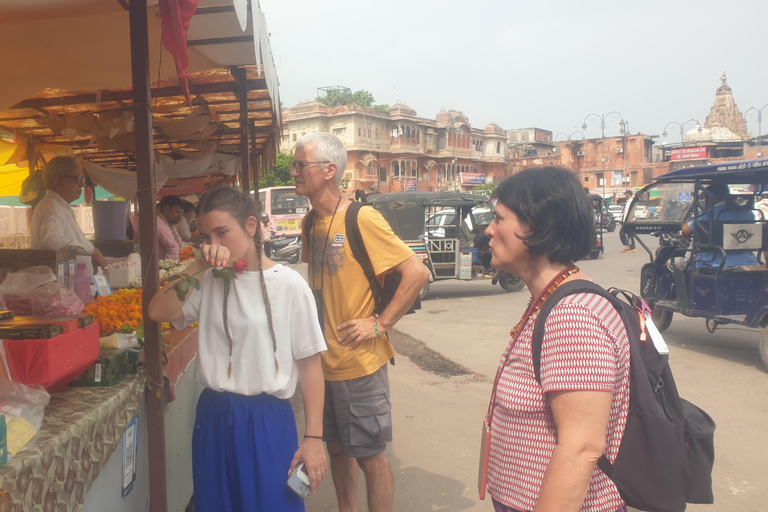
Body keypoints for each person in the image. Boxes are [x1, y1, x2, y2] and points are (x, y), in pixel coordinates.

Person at [148, 187, 327, 511]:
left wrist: (314, 439)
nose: (214, 244)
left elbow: (311, 366)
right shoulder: (208, 279)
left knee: (274, 504)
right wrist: (197, 265)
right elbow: (157, 311)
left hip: (268, 419)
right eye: (206, 236)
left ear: (251, 225)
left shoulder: (290, 285)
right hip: (214, 415)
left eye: (222, 232)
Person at [292, 132, 429, 512]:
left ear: (329, 170)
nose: (294, 171)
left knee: (370, 457)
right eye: (294, 164)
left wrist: (379, 325)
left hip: (360, 364)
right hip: (323, 365)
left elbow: (416, 272)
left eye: (301, 164)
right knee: (337, 449)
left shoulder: (361, 218)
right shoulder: (310, 223)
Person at [483, 166, 631, 512]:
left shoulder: (573, 315)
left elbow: (581, 447)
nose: (489, 230)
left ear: (534, 226)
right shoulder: (553, 299)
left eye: (499, 218)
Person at [30, 156, 108, 274]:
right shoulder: (51, 207)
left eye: (83, 179)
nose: (82, 185)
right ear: (58, 180)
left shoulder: (61, 207)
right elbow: (51, 239)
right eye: (78, 179)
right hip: (55, 282)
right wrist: (92, 251)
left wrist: (92, 251)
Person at [680, 180, 759, 268]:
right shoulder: (748, 214)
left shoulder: (709, 214)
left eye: (706, 198)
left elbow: (686, 231)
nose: (705, 201)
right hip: (747, 262)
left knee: (674, 263)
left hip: (711, 264)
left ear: (715, 198)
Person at [156, 195, 184, 261]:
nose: (180, 217)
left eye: (181, 213)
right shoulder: (158, 224)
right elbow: (173, 249)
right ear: (166, 209)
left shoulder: (170, 225)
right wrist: (165, 266)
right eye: (177, 212)